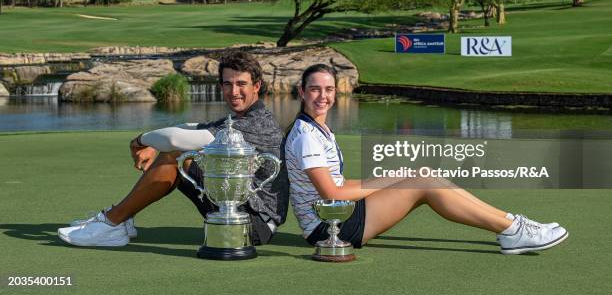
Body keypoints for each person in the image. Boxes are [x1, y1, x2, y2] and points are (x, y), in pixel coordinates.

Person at [285, 64, 568, 255]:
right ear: (302, 92)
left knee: (423, 176)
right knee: (424, 182)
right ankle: (513, 229)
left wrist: (398, 175)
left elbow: (338, 183)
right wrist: (396, 178)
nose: (323, 96)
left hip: (344, 212)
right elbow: (332, 192)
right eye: (315, 89)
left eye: (329, 89)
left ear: (337, 91)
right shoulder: (307, 135)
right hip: (330, 228)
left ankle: (512, 225)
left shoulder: (317, 129)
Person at [58, 51, 289, 247]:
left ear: (257, 86)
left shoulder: (257, 124)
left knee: (178, 155)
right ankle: (121, 218)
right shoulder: (239, 118)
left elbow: (176, 140)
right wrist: (153, 142)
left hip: (254, 226)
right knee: (184, 150)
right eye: (227, 84)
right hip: (240, 211)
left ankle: (112, 223)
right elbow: (189, 127)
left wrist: (140, 141)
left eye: (241, 84)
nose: (234, 91)